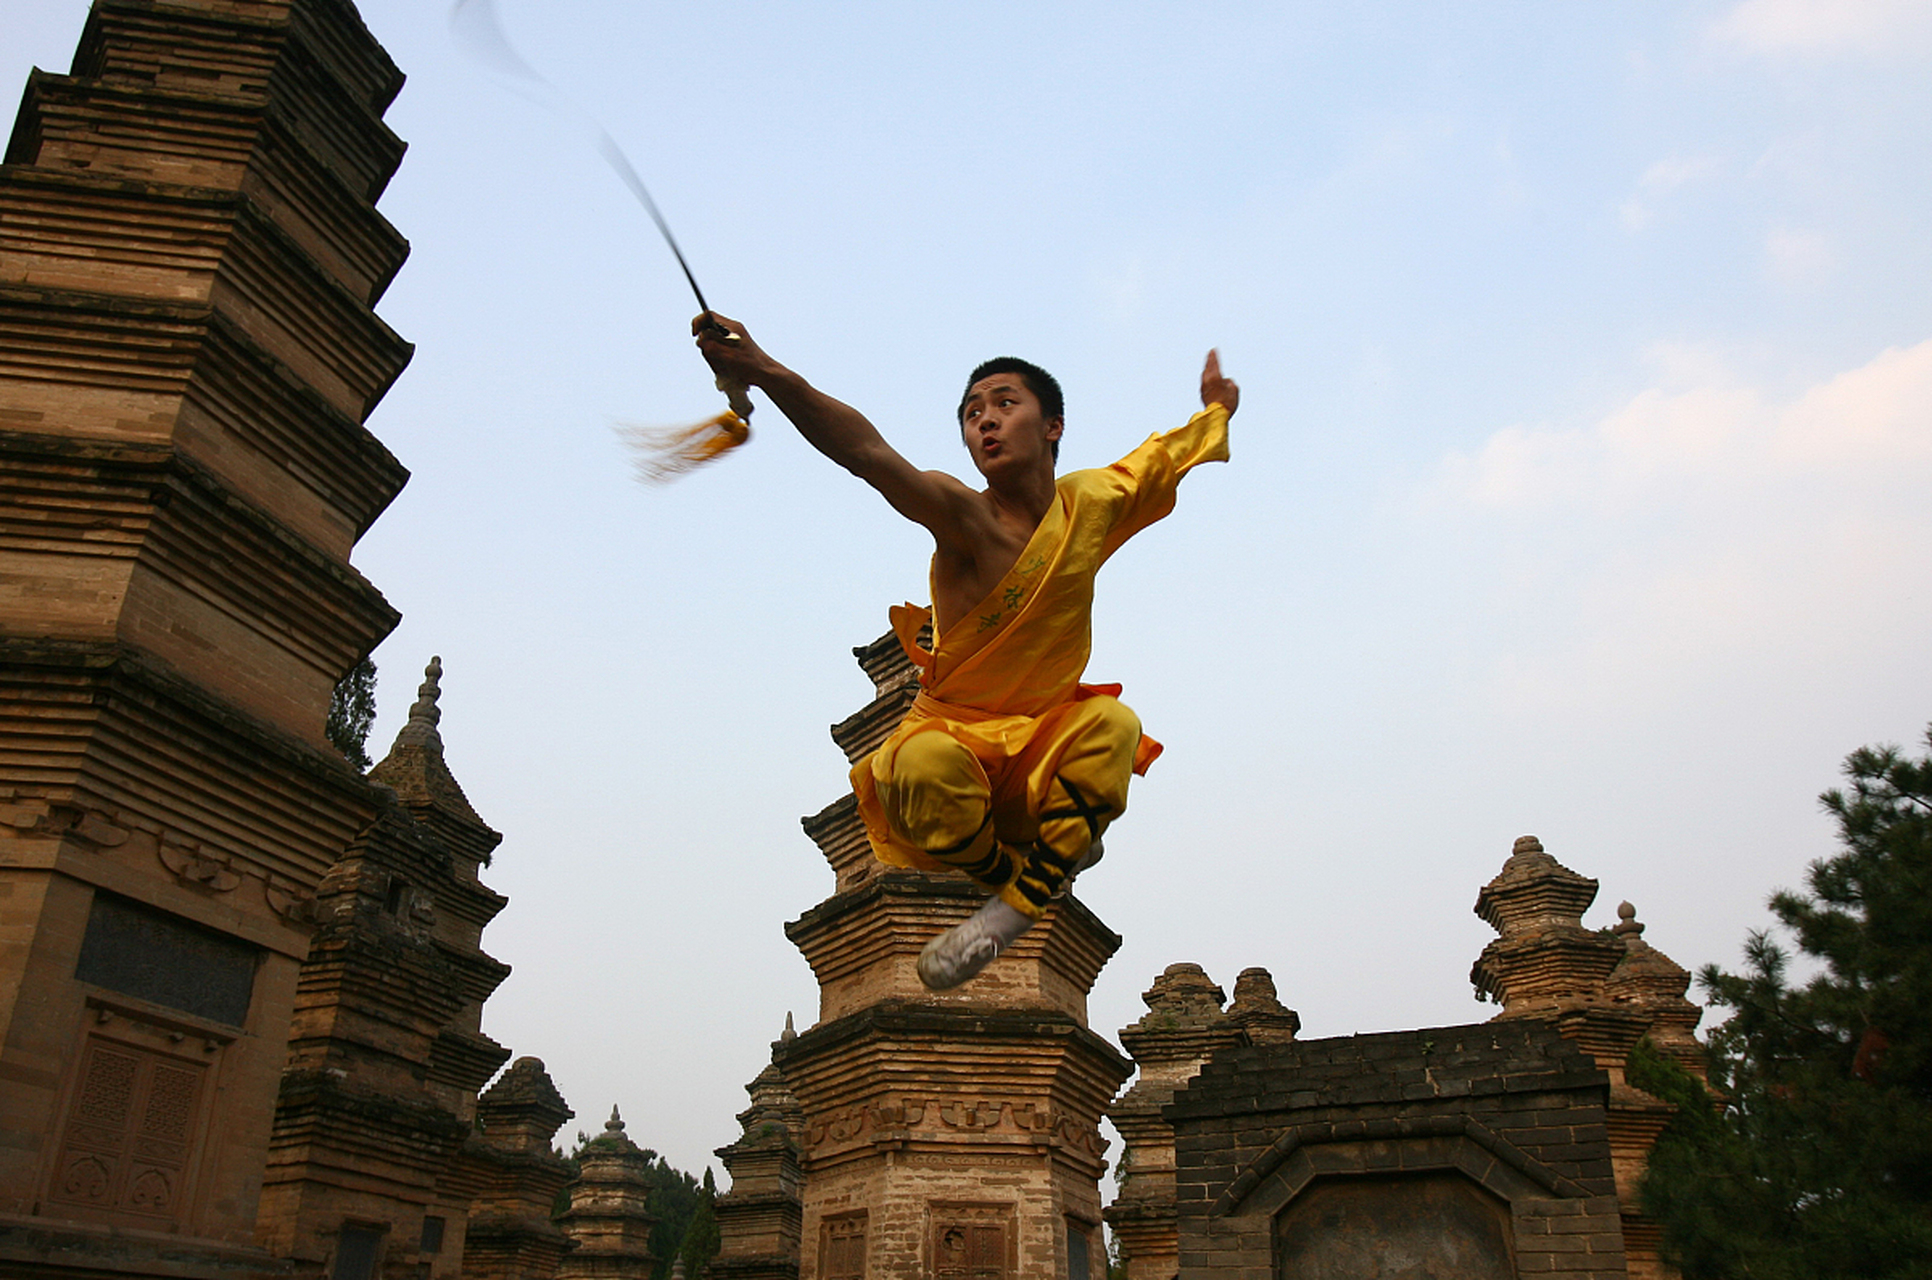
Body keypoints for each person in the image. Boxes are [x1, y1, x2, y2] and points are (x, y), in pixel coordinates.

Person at [694, 315, 1238, 988]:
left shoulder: (1094, 500)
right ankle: (1011, 883)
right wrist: (766, 372)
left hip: (1039, 751)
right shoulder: (962, 515)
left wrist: (1217, 409)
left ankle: (1022, 891)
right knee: (919, 762)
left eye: (1005, 404)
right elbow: (868, 454)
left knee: (1115, 727)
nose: (985, 421)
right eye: (972, 413)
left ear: (1052, 426)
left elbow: (1164, 456)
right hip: (955, 759)